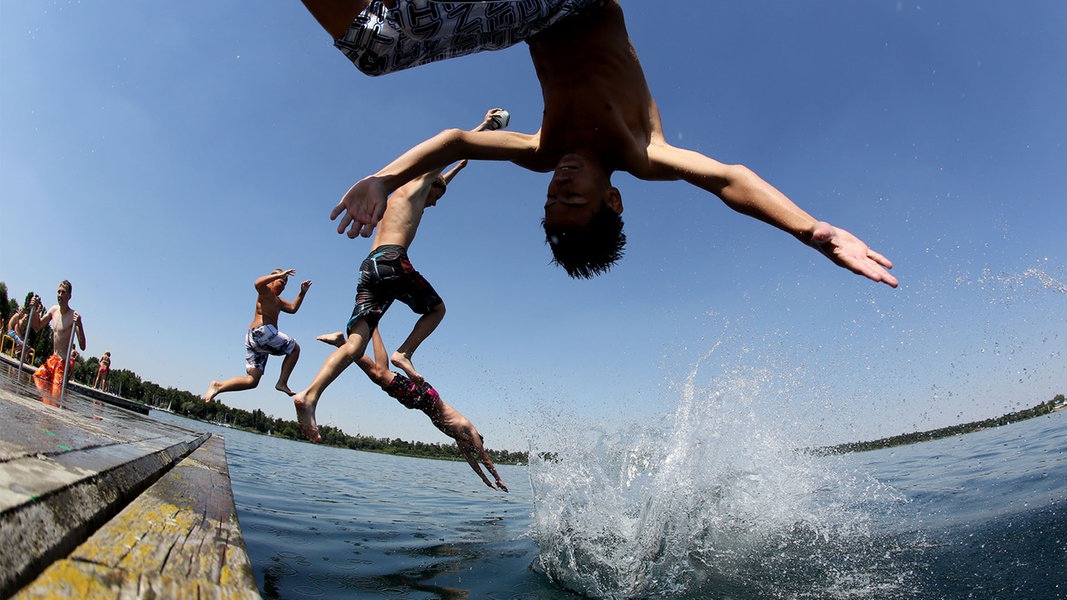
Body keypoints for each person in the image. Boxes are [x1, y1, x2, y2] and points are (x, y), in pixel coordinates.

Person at [305, 0, 899, 285]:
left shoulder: (541, 151)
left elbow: (455, 140)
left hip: (530, 15)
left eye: (551, 201)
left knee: (372, 41)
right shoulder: (641, 152)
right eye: (573, 199)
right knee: (394, 36)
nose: (559, 185)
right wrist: (812, 230)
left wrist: (384, 178)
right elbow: (727, 178)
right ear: (612, 200)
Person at [292, 109, 500, 443]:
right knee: (437, 309)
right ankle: (405, 352)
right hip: (392, 259)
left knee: (356, 345)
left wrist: (460, 168)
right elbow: (450, 149)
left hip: (369, 265)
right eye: (437, 195)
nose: (434, 203)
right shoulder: (416, 185)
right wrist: (484, 127)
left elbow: (452, 163)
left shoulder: (399, 195)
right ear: (430, 184)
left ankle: (310, 395)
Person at [318, 328, 509, 491]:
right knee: (382, 373)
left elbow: (473, 464)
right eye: (473, 448)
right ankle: (372, 326)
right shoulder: (470, 432)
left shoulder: (460, 441)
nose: (471, 450)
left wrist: (486, 481)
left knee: (378, 377)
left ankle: (343, 343)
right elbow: (484, 459)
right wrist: (498, 478)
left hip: (419, 403)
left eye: (470, 450)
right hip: (427, 399)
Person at [204, 270, 312, 403]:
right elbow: (257, 283)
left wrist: (302, 292)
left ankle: (219, 386)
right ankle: (282, 382)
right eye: (281, 282)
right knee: (295, 348)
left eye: (285, 285)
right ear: (272, 280)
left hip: (256, 341)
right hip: (261, 333)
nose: (283, 287)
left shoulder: (278, 301)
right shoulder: (265, 292)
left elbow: (293, 308)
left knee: (252, 381)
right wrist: (279, 274)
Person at [29, 280, 87, 396]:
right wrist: (34, 310)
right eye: (58, 292)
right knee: (37, 379)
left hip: (63, 363)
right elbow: (37, 326)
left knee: (56, 394)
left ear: (69, 296)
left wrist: (79, 325)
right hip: (52, 359)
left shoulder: (73, 316)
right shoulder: (53, 310)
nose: (60, 295)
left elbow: (82, 346)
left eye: (63, 292)